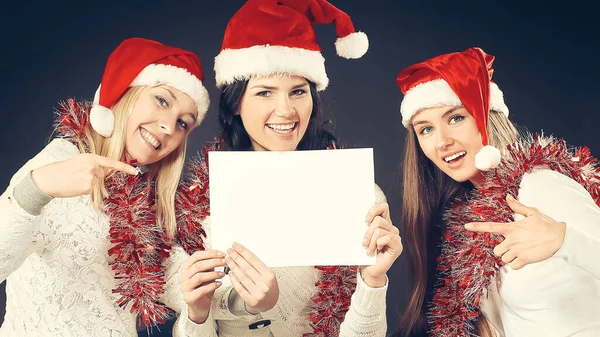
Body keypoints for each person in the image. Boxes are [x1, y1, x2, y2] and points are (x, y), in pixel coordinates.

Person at [174, 0, 403, 336]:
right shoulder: (197, 204)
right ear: (235, 102)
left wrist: (373, 279)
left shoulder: (358, 194)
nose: (286, 110)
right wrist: (196, 312)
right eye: (265, 93)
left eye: (298, 91)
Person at [0, 37, 213, 336]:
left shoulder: (150, 198)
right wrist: (37, 188)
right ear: (127, 93)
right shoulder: (60, 161)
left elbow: (179, 285)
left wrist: (202, 302)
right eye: (162, 100)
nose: (168, 126)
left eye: (183, 123)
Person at [393, 47, 600, 337]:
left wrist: (564, 239)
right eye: (426, 129)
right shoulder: (468, 221)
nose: (442, 142)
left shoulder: (540, 186)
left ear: (487, 117)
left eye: (455, 118)